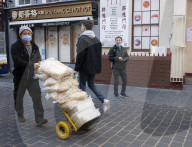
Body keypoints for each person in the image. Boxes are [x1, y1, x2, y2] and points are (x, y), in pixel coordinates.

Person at [11, 26, 47, 126]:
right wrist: (32, 65)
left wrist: (39, 62)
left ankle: (39, 118)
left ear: (31, 35)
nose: (27, 35)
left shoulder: (34, 46)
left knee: (37, 97)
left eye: (29, 33)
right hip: (20, 76)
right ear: (20, 35)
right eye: (24, 33)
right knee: (18, 97)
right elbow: (17, 61)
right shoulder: (15, 46)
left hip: (32, 77)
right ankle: (20, 114)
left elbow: (38, 57)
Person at [74, 20, 110, 113]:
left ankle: (83, 107)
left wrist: (76, 69)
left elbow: (80, 55)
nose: (81, 27)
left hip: (84, 67)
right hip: (93, 67)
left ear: (84, 27)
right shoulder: (96, 39)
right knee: (91, 84)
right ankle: (104, 100)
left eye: (81, 26)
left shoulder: (82, 39)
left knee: (82, 86)